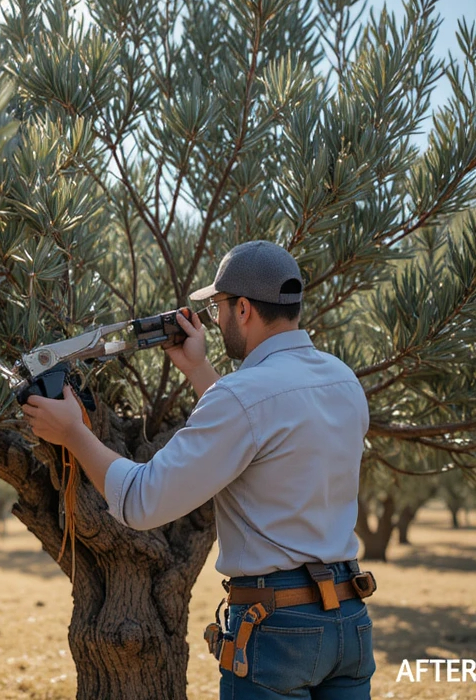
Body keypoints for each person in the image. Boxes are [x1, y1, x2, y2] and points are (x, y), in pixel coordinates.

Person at [20, 240, 377, 698]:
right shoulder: (342, 379)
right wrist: (198, 368)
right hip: (349, 617)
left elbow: (141, 502)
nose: (215, 319)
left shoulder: (244, 395)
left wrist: (73, 432)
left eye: (217, 308)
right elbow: (265, 436)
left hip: (278, 628)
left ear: (243, 309)